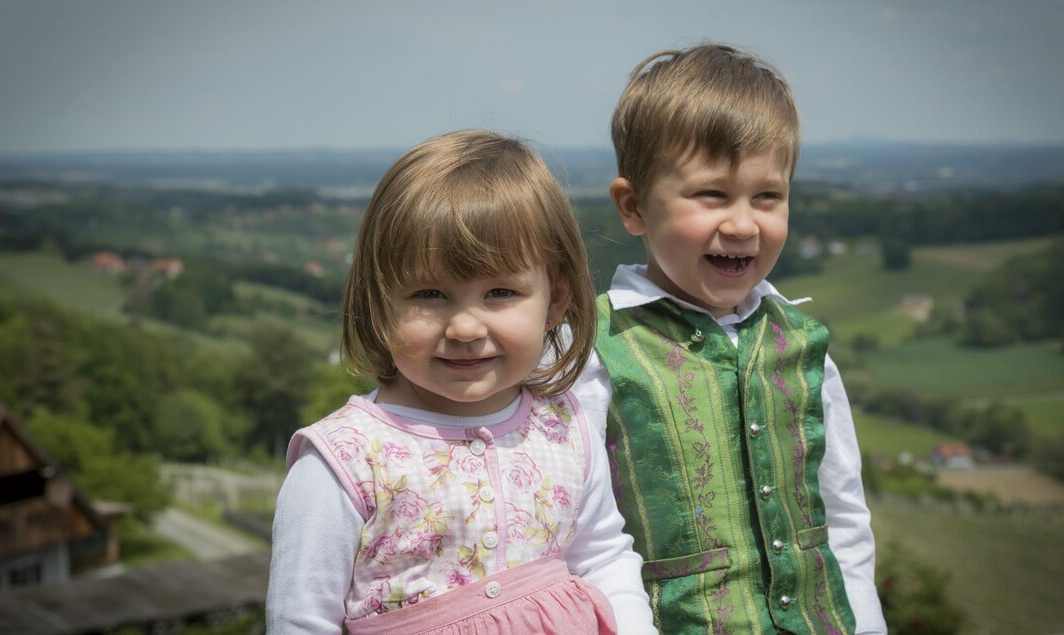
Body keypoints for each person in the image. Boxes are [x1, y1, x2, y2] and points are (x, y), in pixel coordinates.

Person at [266, 130, 656, 635]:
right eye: (429, 294)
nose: (466, 328)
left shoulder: (564, 425)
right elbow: (300, 620)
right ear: (379, 302)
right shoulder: (344, 461)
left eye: (500, 292)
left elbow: (601, 554)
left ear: (556, 299)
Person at [571, 44, 887, 634]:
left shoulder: (804, 345)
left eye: (767, 196)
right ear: (634, 206)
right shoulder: (592, 353)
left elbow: (842, 517)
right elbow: (578, 537)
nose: (742, 224)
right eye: (711, 195)